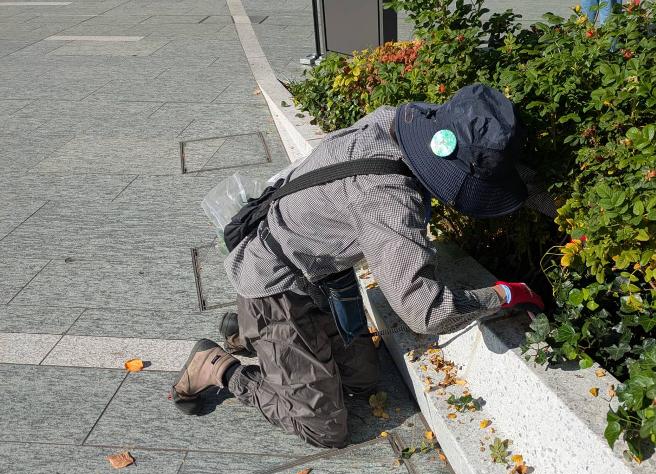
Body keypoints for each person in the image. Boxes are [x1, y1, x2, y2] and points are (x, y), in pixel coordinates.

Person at [171, 84, 544, 448]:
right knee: (326, 427)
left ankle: (247, 332)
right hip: (272, 285)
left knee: (363, 382)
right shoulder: (389, 200)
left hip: (319, 271)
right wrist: (504, 295)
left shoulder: (393, 123)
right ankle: (220, 366)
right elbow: (425, 312)